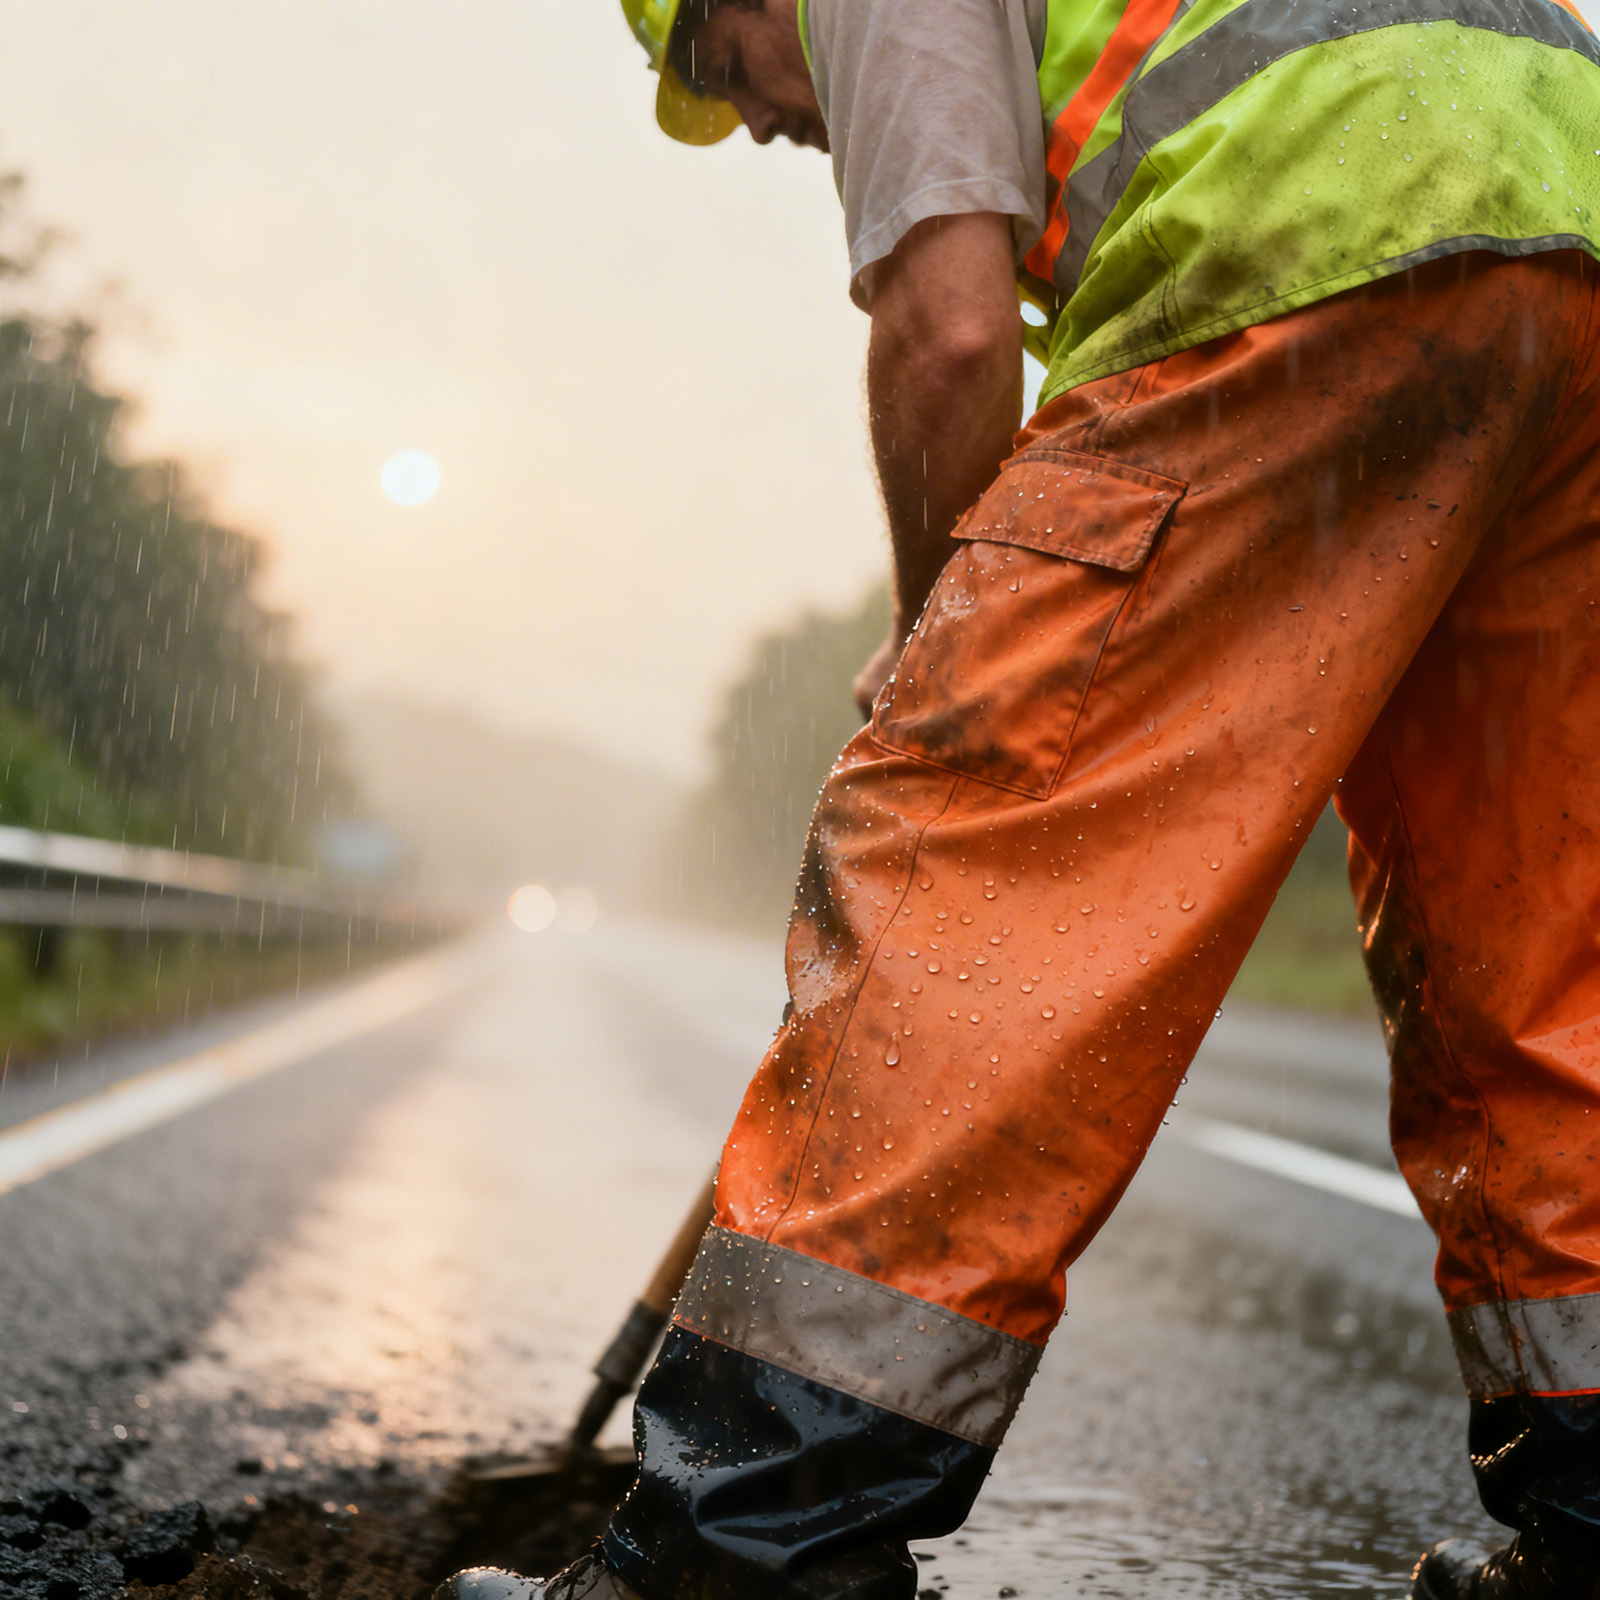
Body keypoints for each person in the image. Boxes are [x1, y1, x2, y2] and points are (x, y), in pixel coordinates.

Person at [439, 0, 1600, 1595]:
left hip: (1316, 220)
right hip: (1574, 228)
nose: (763, 123)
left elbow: (953, 329)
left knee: (966, 855)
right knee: (1538, 930)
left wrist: (944, 652)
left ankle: (747, 1549)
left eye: (716, 63)